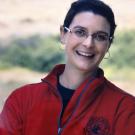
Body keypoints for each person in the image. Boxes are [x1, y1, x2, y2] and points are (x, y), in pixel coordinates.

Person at [0, 0, 135, 135]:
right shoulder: (21, 100)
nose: (88, 44)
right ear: (63, 34)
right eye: (80, 32)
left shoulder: (126, 109)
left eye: (100, 37)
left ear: (109, 44)